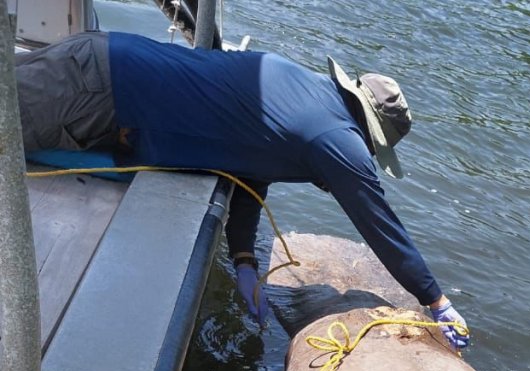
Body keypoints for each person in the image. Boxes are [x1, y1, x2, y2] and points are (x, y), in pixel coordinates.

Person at [15, 31, 469, 350]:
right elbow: (379, 223)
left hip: (98, 57)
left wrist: (245, 261)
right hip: (90, 93)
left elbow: (251, 173)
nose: (365, 158)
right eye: (372, 151)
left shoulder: (304, 92)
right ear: (369, 135)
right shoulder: (334, 137)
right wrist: (436, 301)